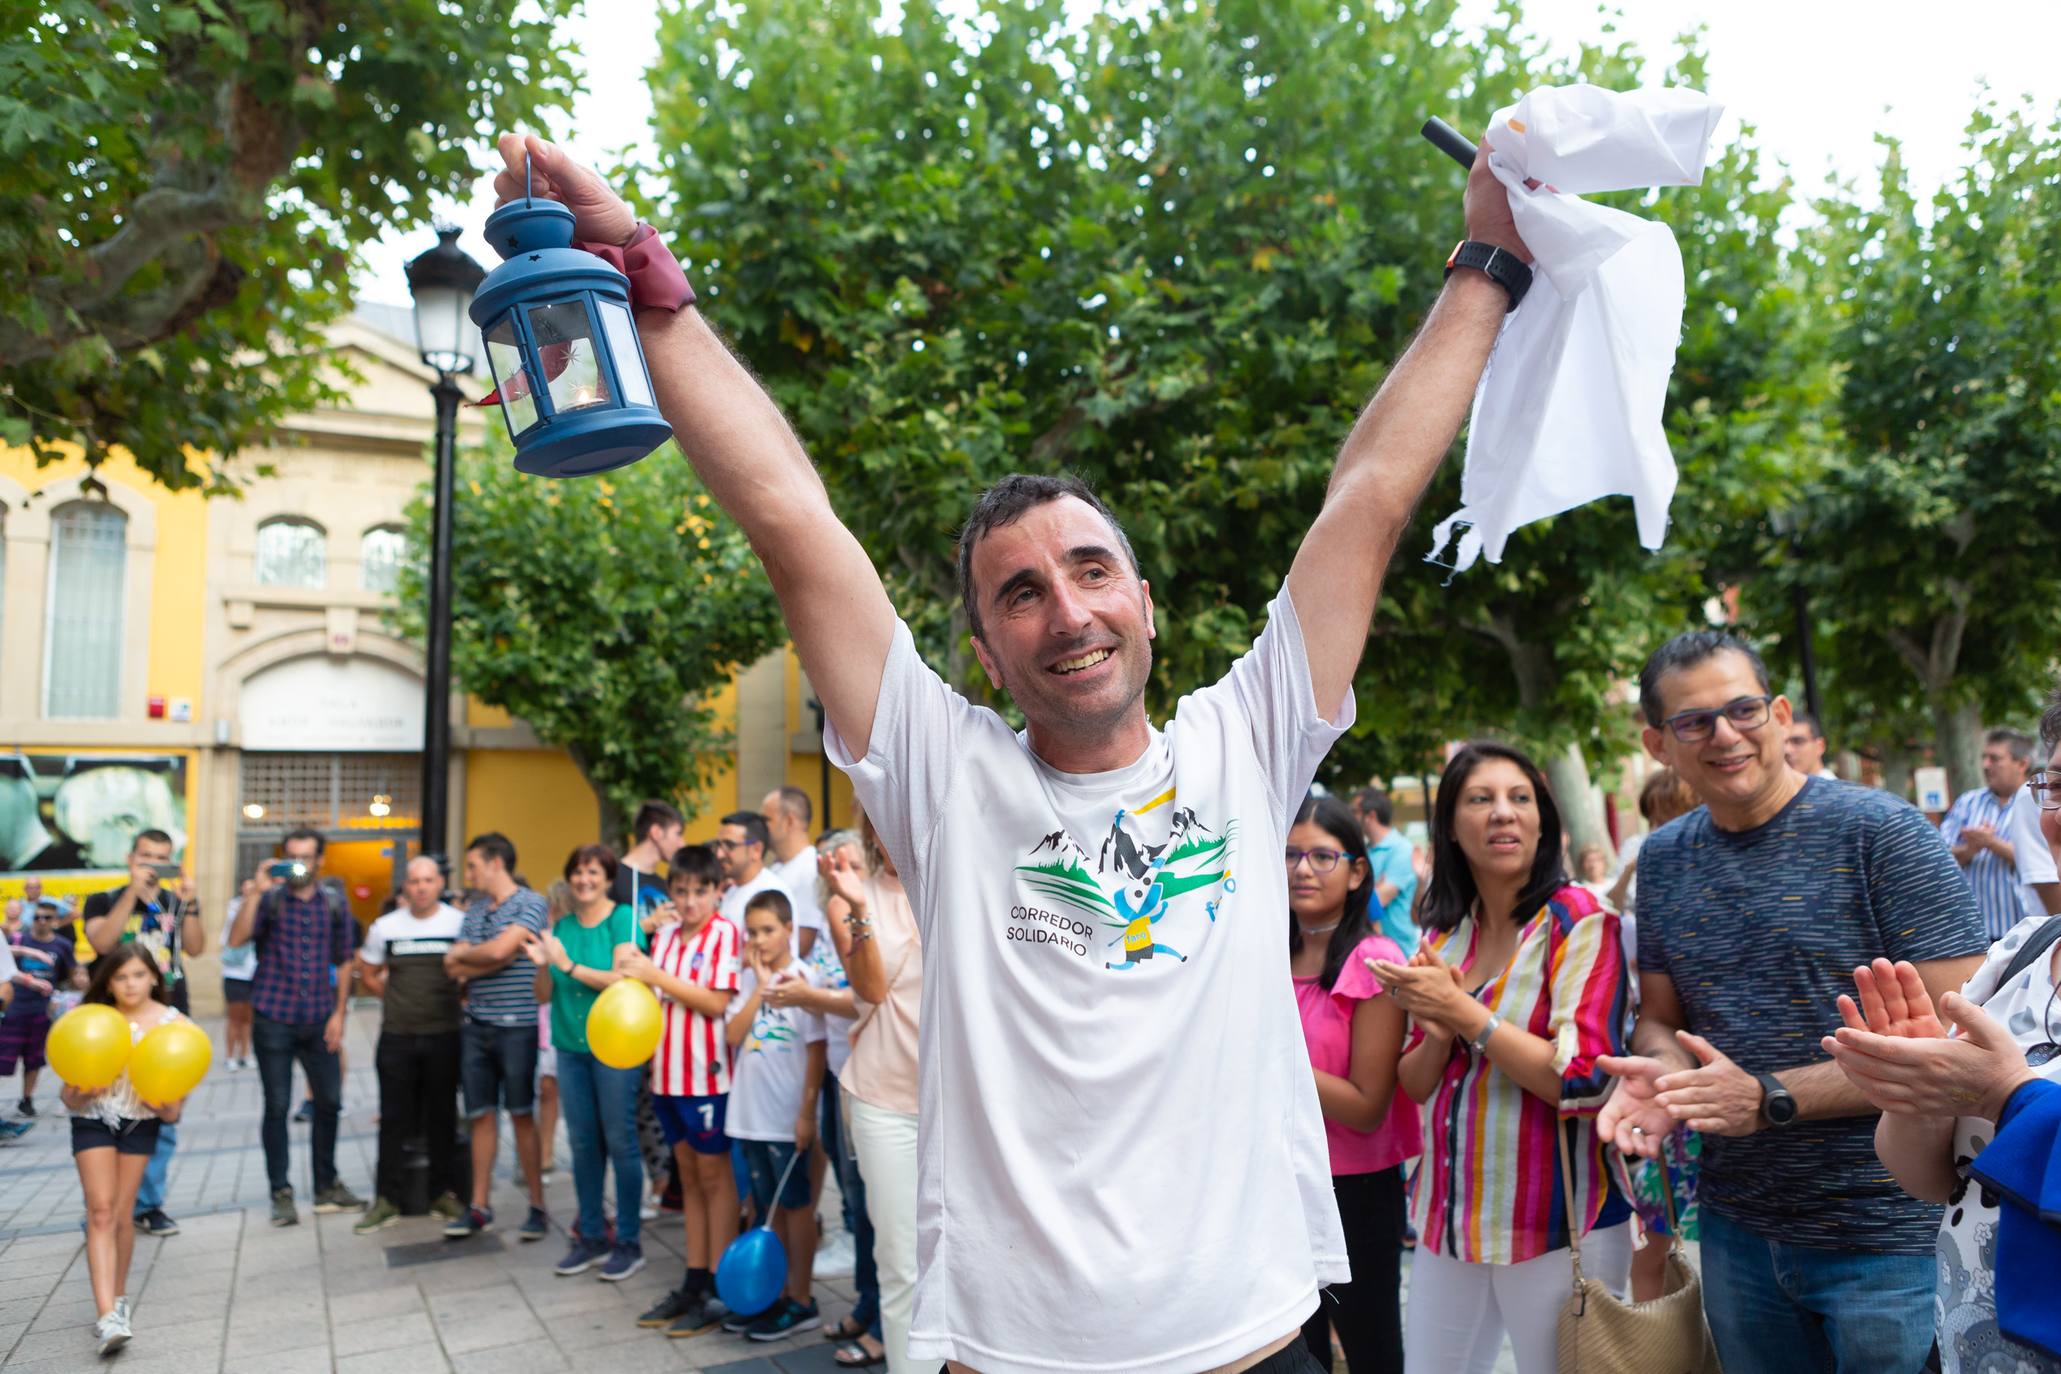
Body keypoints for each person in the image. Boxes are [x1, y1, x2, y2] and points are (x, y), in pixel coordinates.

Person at [489, 125, 1527, 1372]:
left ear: (1145, 604)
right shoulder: (946, 772)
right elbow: (791, 520)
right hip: (1021, 1355)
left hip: (1257, 1343)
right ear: (985, 654)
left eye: (1092, 572)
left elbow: (1368, 496)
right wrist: (641, 273)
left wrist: (1487, 257)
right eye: (1022, 593)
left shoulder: (1246, 742)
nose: (1069, 611)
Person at [1597, 629, 1989, 1373]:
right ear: (1657, 743)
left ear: (1779, 714)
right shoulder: (1662, 857)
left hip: (1887, 1232)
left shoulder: (1882, 832)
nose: (1723, 735)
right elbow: (1659, 1019)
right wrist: (1662, 1075)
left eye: (1742, 709)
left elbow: (1964, 1038)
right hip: (1736, 1229)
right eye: (1693, 722)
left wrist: (1769, 1096)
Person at [1373, 743, 1630, 1374]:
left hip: (1557, 1220)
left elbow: (1585, 1080)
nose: (1502, 815)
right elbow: (1414, 1081)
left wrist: (1464, 1014)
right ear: (1452, 827)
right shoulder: (1443, 931)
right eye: (1479, 800)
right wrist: (1438, 1026)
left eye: (1520, 799)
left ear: (1544, 821)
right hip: (1449, 1214)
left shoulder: (1579, 919)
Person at [1287, 796, 1414, 1374]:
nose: (1303, 869)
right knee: (1291, 1353)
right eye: (1289, 854)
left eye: (1321, 855)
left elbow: (1367, 1107)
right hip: (1272, 1187)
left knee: (1371, 1352)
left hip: (1353, 1192)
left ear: (1358, 870)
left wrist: (1273, 1062)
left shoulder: (1375, 961)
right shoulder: (1258, 955)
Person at [765, 827, 882, 1368]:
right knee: (854, 1202)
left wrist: (808, 995)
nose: (838, 874)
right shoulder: (834, 920)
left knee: (878, 1206)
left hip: (873, 1083)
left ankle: (883, 1322)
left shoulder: (871, 921)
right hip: (840, 1079)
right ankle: (865, 1303)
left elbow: (868, 998)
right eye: (831, 867)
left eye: (849, 864)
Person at [620, 843, 745, 1340]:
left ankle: (719, 1283)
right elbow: (648, 996)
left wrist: (655, 975)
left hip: (707, 1076)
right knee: (688, 1178)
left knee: (716, 1180)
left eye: (701, 891)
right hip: (666, 1076)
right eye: (681, 891)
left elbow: (715, 1002)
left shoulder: (724, 934)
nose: (690, 901)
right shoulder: (666, 935)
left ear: (719, 891)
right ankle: (693, 1279)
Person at [226, 827, 363, 1227]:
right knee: (278, 1106)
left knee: (329, 1103)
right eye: (292, 856)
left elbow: (345, 961)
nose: (299, 864)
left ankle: (326, 1185)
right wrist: (256, 891)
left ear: (320, 860)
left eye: (306, 856)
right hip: (273, 1017)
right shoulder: (268, 901)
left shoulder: (335, 904)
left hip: (320, 1016)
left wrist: (340, 1015)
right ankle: (280, 1192)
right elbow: (236, 941)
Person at [821, 820, 920, 1372]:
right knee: (900, 1263)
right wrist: (858, 905)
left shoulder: (958, 880)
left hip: (960, 1103)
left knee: (967, 1261)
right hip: (884, 1101)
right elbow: (871, 988)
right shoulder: (853, 899)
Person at [64, 946, 194, 1357]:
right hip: (94, 1119)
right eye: (120, 977)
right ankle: (107, 1317)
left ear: (154, 977)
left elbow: (173, 1113)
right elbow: (68, 1099)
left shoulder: (176, 1027)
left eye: (138, 975)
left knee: (121, 1213)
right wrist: (83, 1093)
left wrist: (162, 1104)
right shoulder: (93, 1022)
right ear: (108, 983)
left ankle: (118, 1299)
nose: (130, 984)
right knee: (99, 1210)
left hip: (142, 1123)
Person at [527, 844, 648, 1281]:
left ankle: (630, 1241)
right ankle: (591, 1234)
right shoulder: (561, 926)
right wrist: (544, 965)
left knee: (620, 1141)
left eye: (593, 872)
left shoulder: (623, 920)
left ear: (608, 876)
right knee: (581, 1145)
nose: (584, 880)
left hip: (614, 1048)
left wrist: (568, 964)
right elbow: (544, 994)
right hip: (570, 1046)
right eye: (577, 872)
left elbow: (622, 979)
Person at [82, 828, 208, 1237]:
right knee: (109, 1111)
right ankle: (106, 1206)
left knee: (163, 1113)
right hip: (112, 1023)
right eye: (145, 857)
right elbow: (102, 943)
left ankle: (147, 1204)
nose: (152, 865)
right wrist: (131, 895)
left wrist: (189, 903)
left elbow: (196, 947)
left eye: (161, 857)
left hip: (168, 1019)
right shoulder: (104, 899)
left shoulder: (172, 900)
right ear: (130, 857)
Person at [721, 889, 826, 1340]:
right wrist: (759, 988)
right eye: (753, 932)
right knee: (767, 1209)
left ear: (789, 929)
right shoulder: (750, 981)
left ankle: (802, 1299)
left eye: (768, 930)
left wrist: (806, 1114)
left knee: (797, 1207)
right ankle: (776, 1293)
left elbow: (817, 1053)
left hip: (785, 1118)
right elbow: (733, 1034)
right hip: (749, 1115)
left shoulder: (804, 980)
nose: (760, 940)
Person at [443, 832, 551, 1242]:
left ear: (496, 864)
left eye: (473, 865)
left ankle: (538, 1205)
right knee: (480, 1115)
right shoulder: (474, 909)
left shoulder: (531, 903)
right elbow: (454, 969)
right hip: (476, 1026)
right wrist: (480, 958)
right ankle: (479, 1205)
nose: (468, 873)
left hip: (518, 1025)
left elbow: (492, 953)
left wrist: (468, 956)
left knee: (522, 1114)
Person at [353, 855, 468, 1234]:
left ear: (440, 884)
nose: (421, 887)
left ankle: (440, 1193)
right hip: (398, 1036)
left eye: (428, 880)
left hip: (444, 1034)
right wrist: (392, 997)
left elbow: (469, 970)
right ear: (405, 886)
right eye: (414, 881)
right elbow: (367, 971)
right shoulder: (386, 927)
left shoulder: (459, 923)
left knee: (442, 1117)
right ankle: (387, 1198)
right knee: (393, 1119)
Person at [1941, 729, 2038, 941]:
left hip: (2024, 933)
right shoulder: (1967, 803)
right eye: (1984, 758)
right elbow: (1940, 857)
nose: (1986, 765)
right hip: (1973, 933)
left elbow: (2044, 860)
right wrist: (1970, 849)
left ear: (2021, 764)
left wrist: (1991, 843)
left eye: (1994, 759)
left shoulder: (2038, 804)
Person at [2, 897, 79, 1116]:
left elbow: (70, 976)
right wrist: (30, 953)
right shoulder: (20, 938)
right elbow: (6, 960)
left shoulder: (62, 946)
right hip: (14, 1008)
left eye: (47, 918)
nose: (41, 921)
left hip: (42, 1010)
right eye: (37, 917)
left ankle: (26, 1099)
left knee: (33, 1058)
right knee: (4, 1057)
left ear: (55, 920)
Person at [1352, 786, 1421, 955]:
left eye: (1355, 811)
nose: (1351, 817)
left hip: (1400, 953)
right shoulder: (1364, 851)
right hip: (1369, 951)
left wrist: (1365, 892)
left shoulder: (1402, 850)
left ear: (1371, 816)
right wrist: (1371, 891)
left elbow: (1374, 903)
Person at [537, 878, 573, 1188]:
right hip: (549, 1016)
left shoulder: (574, 935)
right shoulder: (548, 936)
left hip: (569, 1017)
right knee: (547, 1086)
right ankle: (544, 1151)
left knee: (561, 1088)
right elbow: (541, 992)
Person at [762, 786, 826, 958]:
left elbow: (803, 942)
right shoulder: (776, 868)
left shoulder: (811, 868)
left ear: (789, 821)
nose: (761, 828)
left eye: (766, 820)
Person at [715, 812, 794, 946]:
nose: (719, 854)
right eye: (719, 845)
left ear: (756, 849)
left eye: (729, 845)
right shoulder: (731, 891)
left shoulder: (771, 893)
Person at [615, 800, 684, 917]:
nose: (682, 844)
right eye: (678, 834)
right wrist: (651, 923)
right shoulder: (612, 877)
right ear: (656, 832)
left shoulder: (666, 885)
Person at [219, 880, 259, 1070]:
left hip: (254, 973)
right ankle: (229, 1055)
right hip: (235, 973)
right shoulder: (234, 908)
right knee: (234, 1018)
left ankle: (245, 1053)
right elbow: (231, 937)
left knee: (248, 1019)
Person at [1784, 712, 1838, 779]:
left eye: (1797, 741)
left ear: (1820, 747)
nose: (1787, 750)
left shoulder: (1832, 788)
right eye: (1783, 743)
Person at [1572, 841, 1615, 909]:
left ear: (1604, 862)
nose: (1593, 865)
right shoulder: (1580, 889)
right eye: (1589, 861)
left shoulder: (1615, 883)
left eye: (1596, 860)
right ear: (1581, 864)